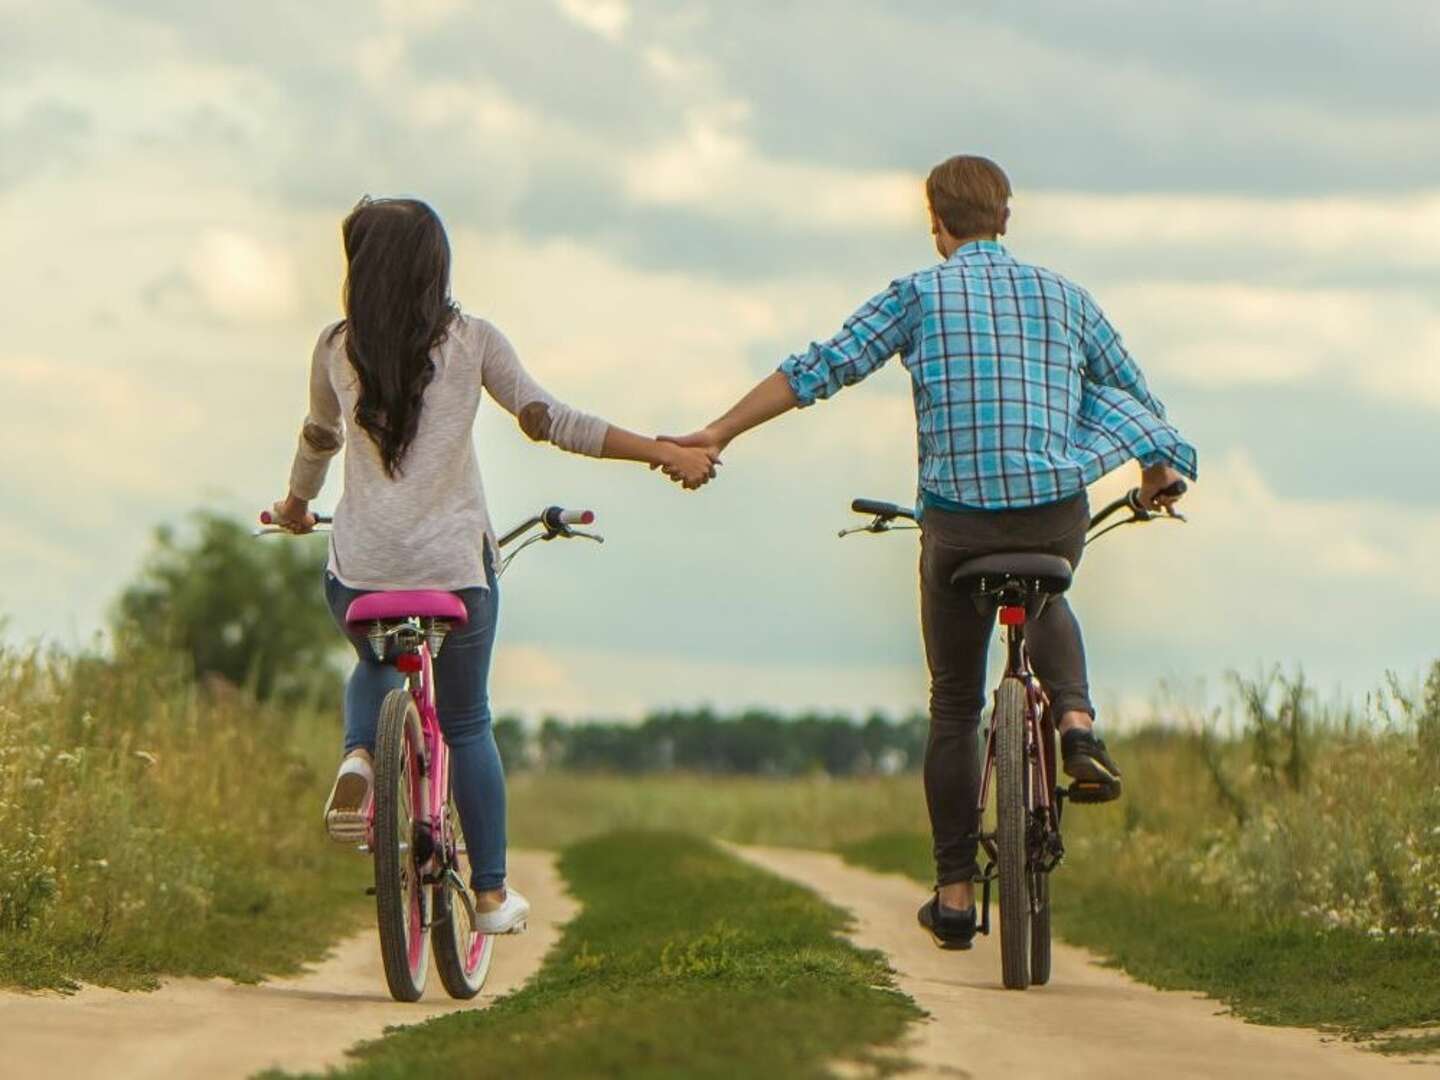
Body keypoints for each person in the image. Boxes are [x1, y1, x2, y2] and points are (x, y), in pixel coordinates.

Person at [662, 155, 1198, 950]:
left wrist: (718, 431)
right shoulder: (1068, 298)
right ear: (1007, 218)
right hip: (1055, 514)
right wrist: (1156, 469)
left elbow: (821, 368)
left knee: (954, 703)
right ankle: (1077, 721)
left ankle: (953, 893)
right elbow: (1135, 395)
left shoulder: (917, 294)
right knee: (1047, 595)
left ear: (936, 225)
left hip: (959, 527)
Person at [270, 196, 716, 934]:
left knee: (374, 659)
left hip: (361, 568)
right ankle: (489, 894)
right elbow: (551, 420)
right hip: (453, 571)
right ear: (434, 267)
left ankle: (358, 757)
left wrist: (294, 504)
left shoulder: (333, 347)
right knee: (469, 719)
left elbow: (319, 439)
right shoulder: (472, 341)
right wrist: (660, 450)